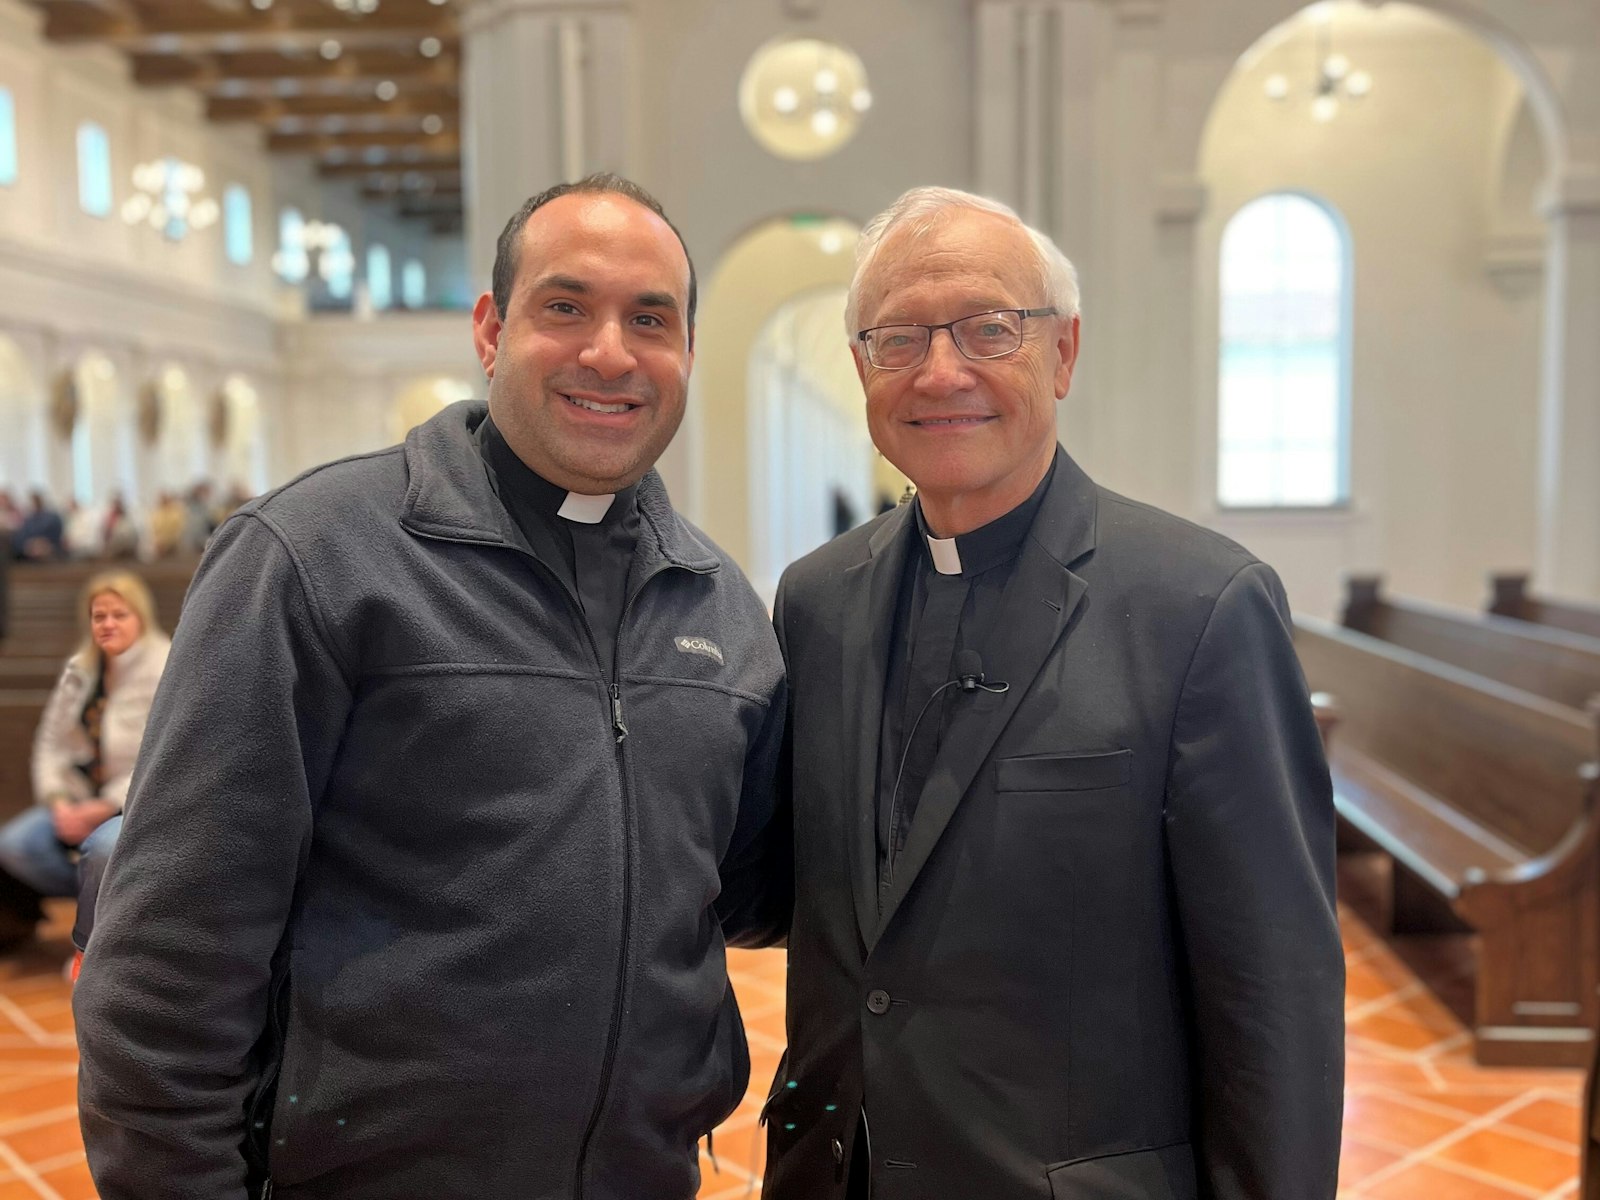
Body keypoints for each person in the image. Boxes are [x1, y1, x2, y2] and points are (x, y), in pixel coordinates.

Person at [74, 174, 786, 1200]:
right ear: (490, 330)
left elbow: (748, 888)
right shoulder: (315, 557)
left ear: (684, 352)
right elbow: (168, 961)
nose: (610, 353)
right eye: (565, 307)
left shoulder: (716, 604)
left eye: (650, 319)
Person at [762, 186, 1344, 1199]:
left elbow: (1274, 996)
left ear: (1063, 352)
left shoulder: (1197, 606)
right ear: (862, 369)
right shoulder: (815, 602)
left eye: (988, 329)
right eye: (897, 339)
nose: (941, 372)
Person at [0, 572, 168, 952]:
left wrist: (105, 806)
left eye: (119, 615)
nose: (108, 624)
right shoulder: (81, 668)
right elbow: (48, 742)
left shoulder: (165, 667)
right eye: (99, 616)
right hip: (76, 799)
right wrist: (58, 800)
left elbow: (160, 756)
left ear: (141, 615)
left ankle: (93, 949)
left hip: (133, 804)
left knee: (103, 850)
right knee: (15, 845)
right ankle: (109, 909)